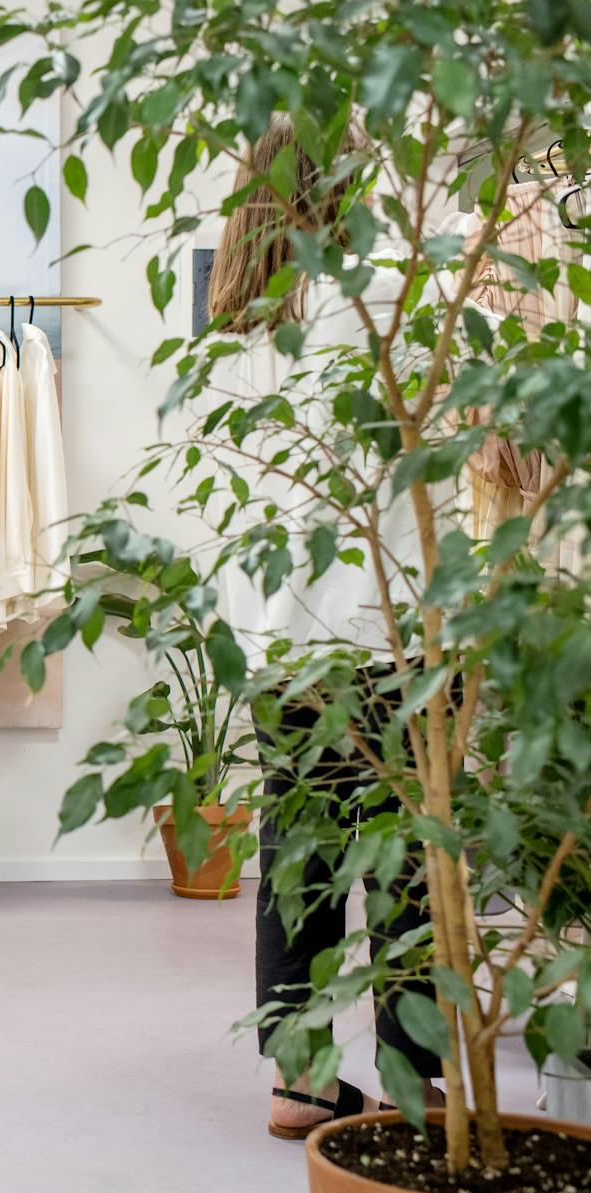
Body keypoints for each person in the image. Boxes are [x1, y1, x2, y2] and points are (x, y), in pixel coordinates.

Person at [203, 117, 448, 1140]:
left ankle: (298, 1079)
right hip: (383, 626)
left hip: (278, 638)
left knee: (298, 849)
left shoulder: (229, 318)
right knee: (402, 856)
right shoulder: (388, 288)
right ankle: (409, 1080)